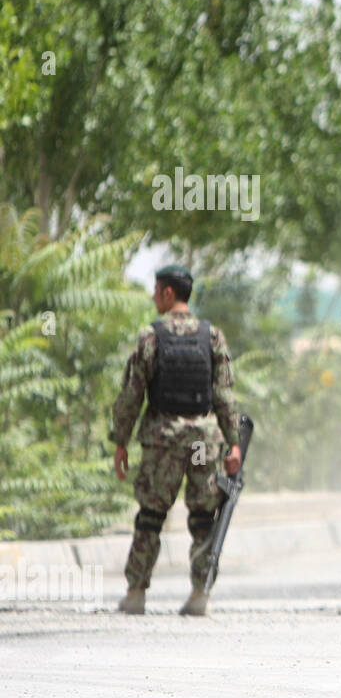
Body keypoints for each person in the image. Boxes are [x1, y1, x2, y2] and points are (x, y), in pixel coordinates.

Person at [111, 264, 242, 616]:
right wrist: (234, 444)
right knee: (203, 516)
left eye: (156, 290)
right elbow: (225, 395)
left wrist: (120, 439)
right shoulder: (211, 336)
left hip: (162, 442)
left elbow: (131, 394)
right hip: (202, 443)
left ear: (168, 293)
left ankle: (136, 593)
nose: (154, 297)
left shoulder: (150, 336)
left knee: (151, 515)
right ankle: (200, 594)